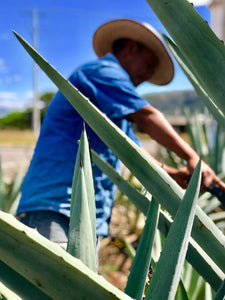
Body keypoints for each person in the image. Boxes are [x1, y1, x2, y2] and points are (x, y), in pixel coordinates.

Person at [16, 19, 225, 250]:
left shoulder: (115, 110)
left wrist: (177, 175)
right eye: (149, 64)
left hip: (87, 216)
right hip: (56, 207)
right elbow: (147, 117)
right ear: (132, 47)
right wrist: (193, 158)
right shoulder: (102, 72)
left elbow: (135, 154)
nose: (147, 75)